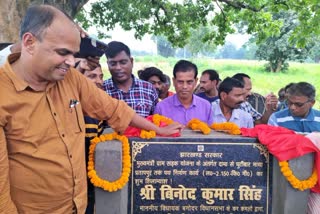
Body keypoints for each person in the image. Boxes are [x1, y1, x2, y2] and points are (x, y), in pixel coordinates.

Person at [0, 5, 182, 213]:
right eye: (63, 52)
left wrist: (157, 130)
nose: (71, 62)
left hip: (79, 205)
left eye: (74, 53)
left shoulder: (70, 78)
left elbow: (113, 109)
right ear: (29, 43)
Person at [104, 41, 158, 117]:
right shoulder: (101, 90)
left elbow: (156, 119)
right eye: (113, 64)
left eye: (123, 62)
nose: (118, 68)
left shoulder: (148, 88)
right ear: (108, 64)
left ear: (131, 62)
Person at [154, 60, 214, 125]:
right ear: (174, 81)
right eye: (180, 82)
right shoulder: (161, 107)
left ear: (196, 81)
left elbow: (210, 133)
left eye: (189, 82)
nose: (184, 86)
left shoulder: (206, 106)